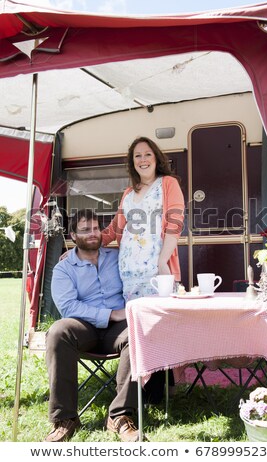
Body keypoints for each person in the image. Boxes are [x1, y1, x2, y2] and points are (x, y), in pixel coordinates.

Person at [101, 136, 185, 402]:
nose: (143, 159)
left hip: (157, 272)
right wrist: (84, 241)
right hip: (129, 274)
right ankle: (137, 388)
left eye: (147, 154)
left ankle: (157, 392)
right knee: (137, 329)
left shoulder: (168, 184)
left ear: (156, 158)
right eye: (137, 156)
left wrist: (162, 262)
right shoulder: (128, 194)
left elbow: (174, 223)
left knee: (158, 327)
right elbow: (114, 231)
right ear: (132, 162)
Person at [44, 209, 139, 443]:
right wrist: (109, 314)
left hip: (118, 329)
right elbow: (68, 307)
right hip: (83, 327)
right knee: (58, 331)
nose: (92, 234)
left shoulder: (117, 257)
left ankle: (121, 416)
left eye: (96, 228)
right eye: (85, 230)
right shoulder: (64, 269)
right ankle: (65, 418)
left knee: (138, 332)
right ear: (73, 236)